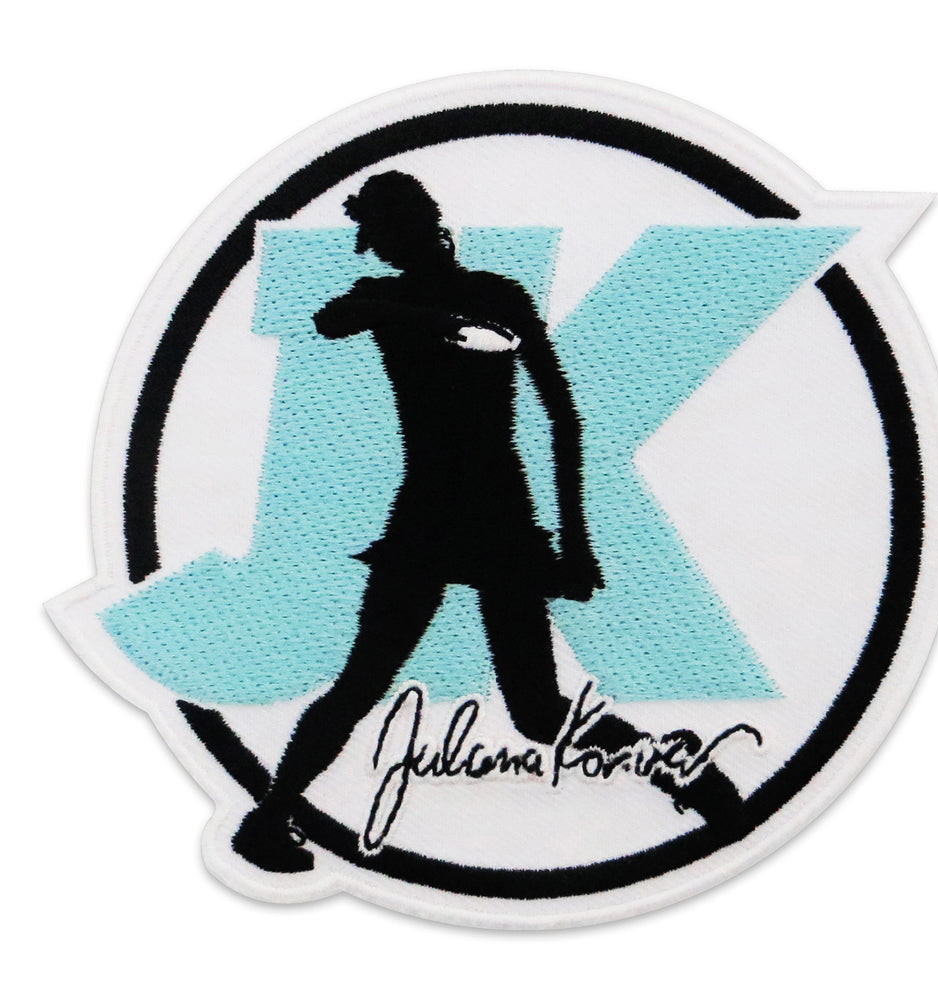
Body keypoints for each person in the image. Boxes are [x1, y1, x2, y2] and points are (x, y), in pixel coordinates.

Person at [233, 171, 742, 872]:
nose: (381, 246)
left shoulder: (493, 295)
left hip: (495, 516)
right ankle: (267, 819)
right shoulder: (383, 297)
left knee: (535, 712)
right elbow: (331, 320)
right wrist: (414, 316)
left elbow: (562, 416)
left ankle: (685, 775)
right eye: (376, 236)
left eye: (385, 231)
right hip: (433, 515)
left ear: (421, 224)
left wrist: (578, 541)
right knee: (367, 683)